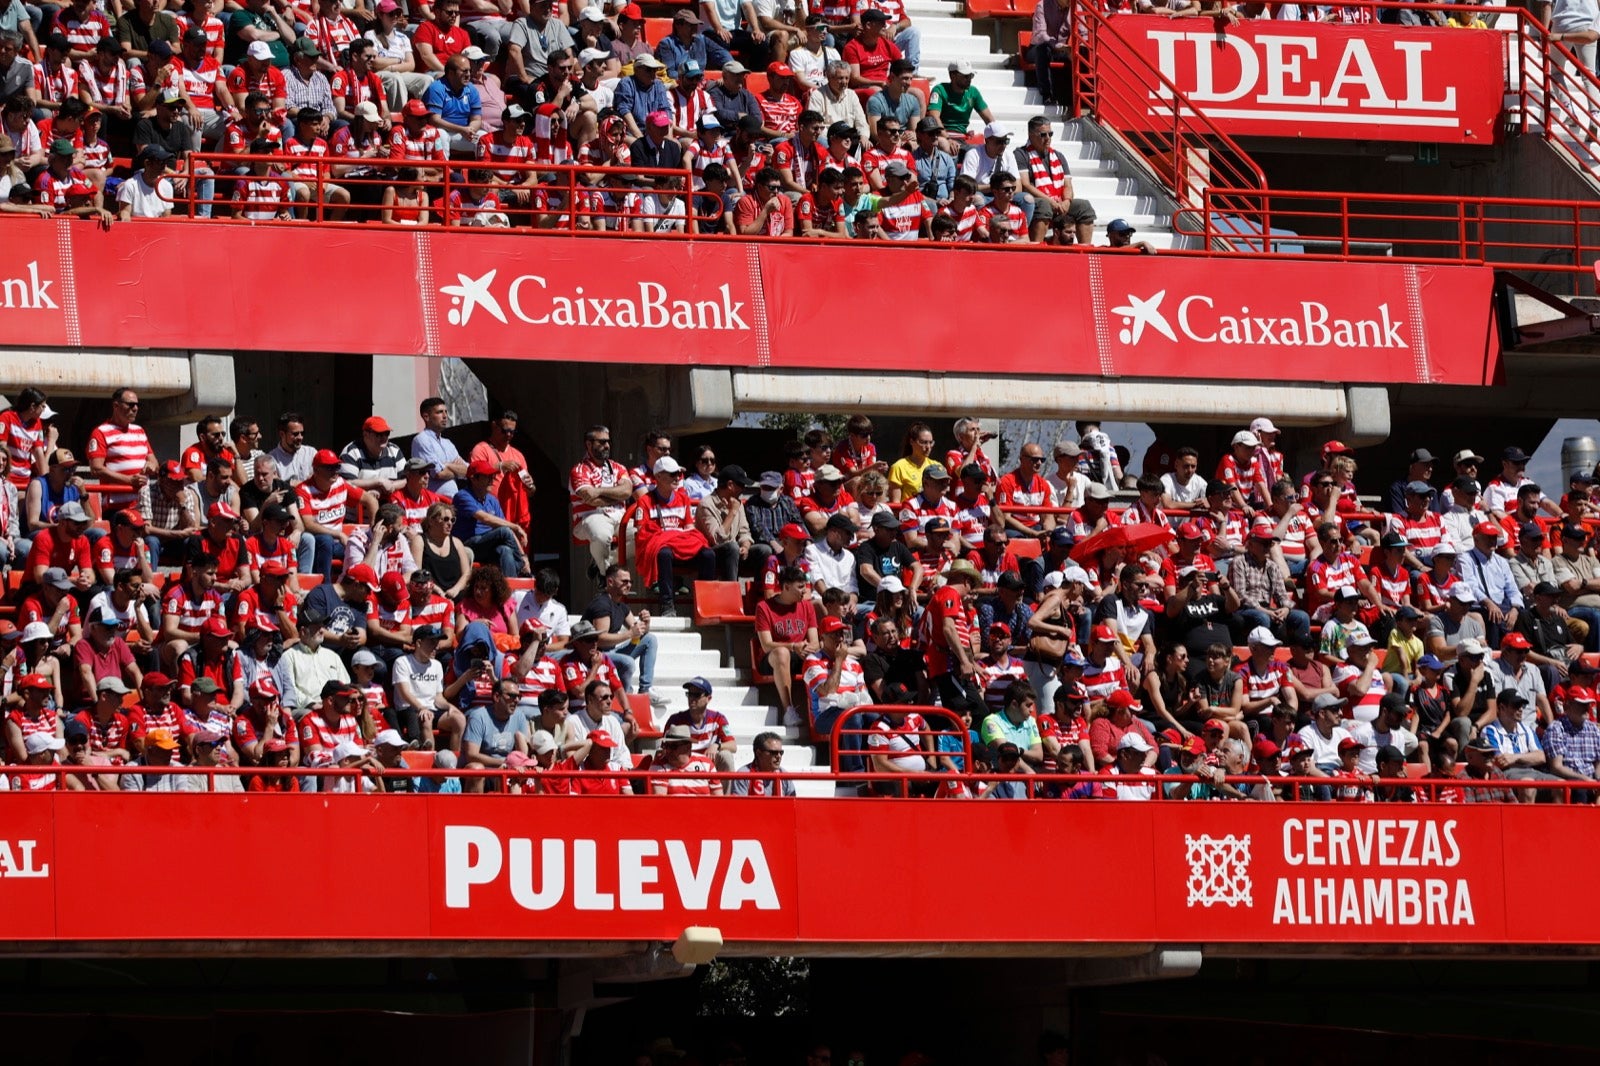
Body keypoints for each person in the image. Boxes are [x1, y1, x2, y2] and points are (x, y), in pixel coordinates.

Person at [728, 730, 794, 796]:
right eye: (774, 753)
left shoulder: (784, 776)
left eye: (781, 753)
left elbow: (793, 804)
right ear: (759, 753)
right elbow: (740, 805)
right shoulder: (743, 775)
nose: (779, 756)